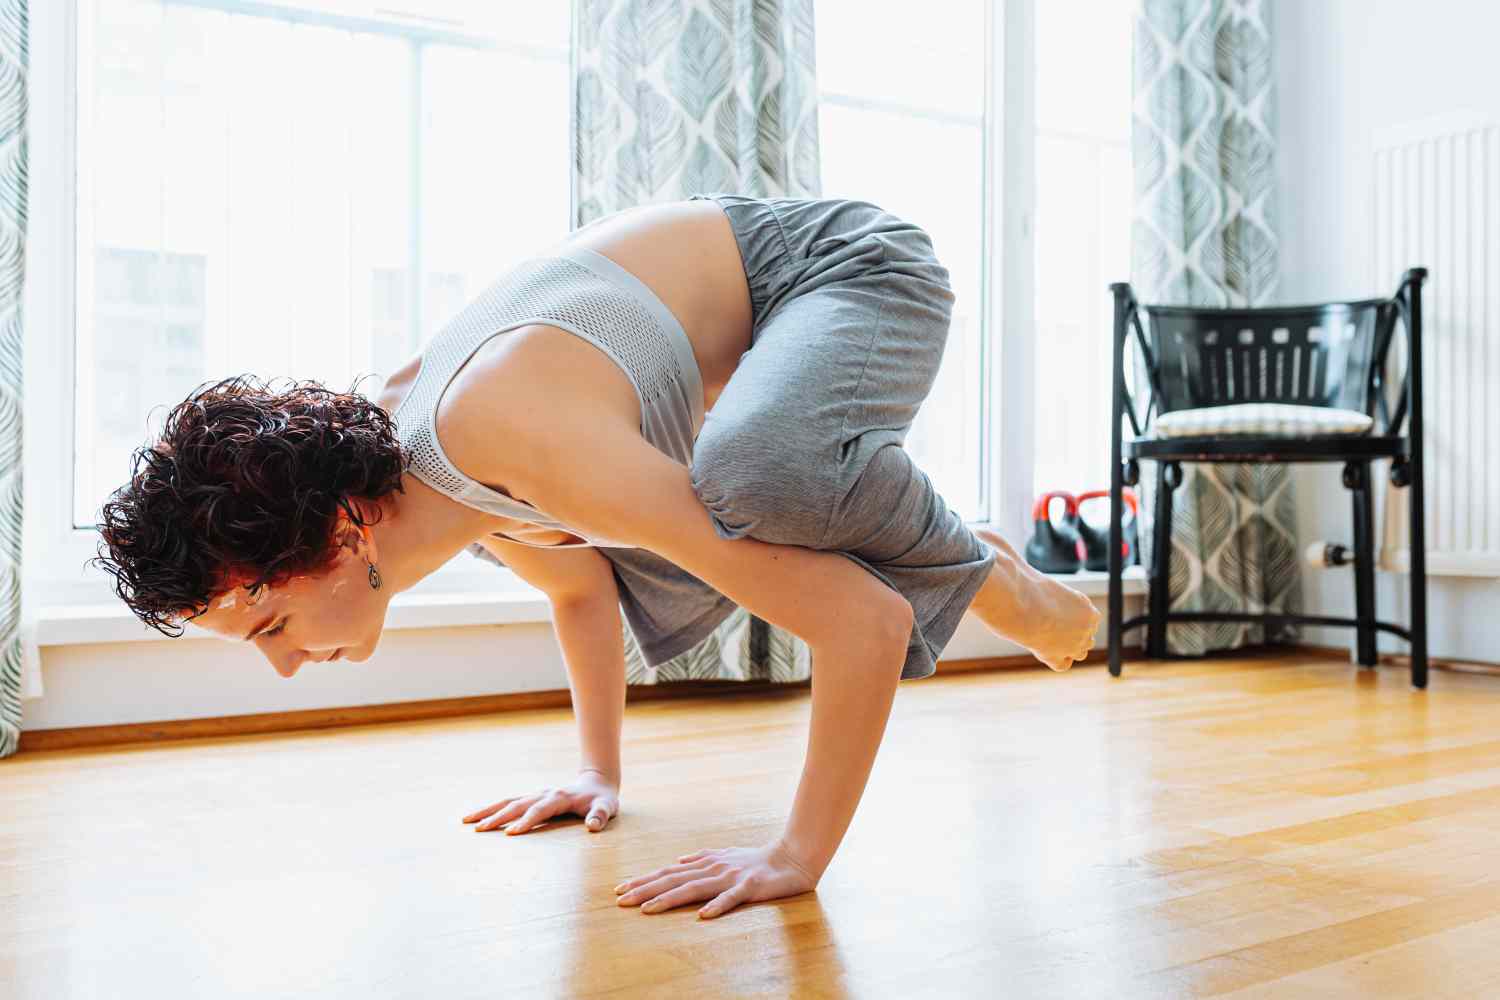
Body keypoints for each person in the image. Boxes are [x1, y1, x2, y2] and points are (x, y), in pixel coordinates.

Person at [93, 194, 1101, 920]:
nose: (280, 663)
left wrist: (797, 855)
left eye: (269, 624)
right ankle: (971, 550)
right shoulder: (429, 489)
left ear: (341, 531)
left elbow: (863, 621)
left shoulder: (503, 430)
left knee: (750, 479)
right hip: (740, 345)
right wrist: (594, 768)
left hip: (846, 269)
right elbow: (578, 586)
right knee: (664, 521)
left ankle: (1006, 584)